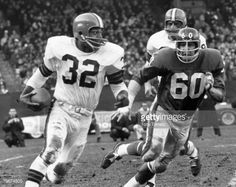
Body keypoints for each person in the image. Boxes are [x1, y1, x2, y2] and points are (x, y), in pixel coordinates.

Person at [102, 27, 225, 187]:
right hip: (164, 109)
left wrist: (209, 87)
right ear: (176, 45)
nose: (186, 49)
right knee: (152, 150)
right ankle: (128, 167)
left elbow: (219, 95)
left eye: (190, 44)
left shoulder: (212, 58)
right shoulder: (166, 56)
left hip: (185, 117)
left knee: (160, 165)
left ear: (200, 45)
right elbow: (139, 76)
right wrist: (128, 104)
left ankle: (142, 169)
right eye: (182, 45)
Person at [19, 12, 129, 187]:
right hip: (61, 108)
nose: (99, 37)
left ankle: (51, 174)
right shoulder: (59, 46)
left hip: (85, 116)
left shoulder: (111, 52)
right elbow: (43, 72)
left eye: (100, 32)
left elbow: (117, 84)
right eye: (94, 32)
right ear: (80, 32)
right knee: (51, 151)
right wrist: (27, 91)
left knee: (62, 169)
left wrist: (123, 96)